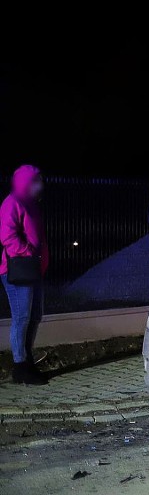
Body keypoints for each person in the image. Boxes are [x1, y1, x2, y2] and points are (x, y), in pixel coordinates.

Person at [0, 165, 49, 385]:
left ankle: (27, 361)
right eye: (35, 180)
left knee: (34, 316)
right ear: (25, 181)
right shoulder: (12, 202)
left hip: (33, 269)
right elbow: (8, 236)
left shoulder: (31, 204)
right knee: (21, 318)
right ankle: (20, 367)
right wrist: (29, 253)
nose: (40, 184)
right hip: (18, 268)